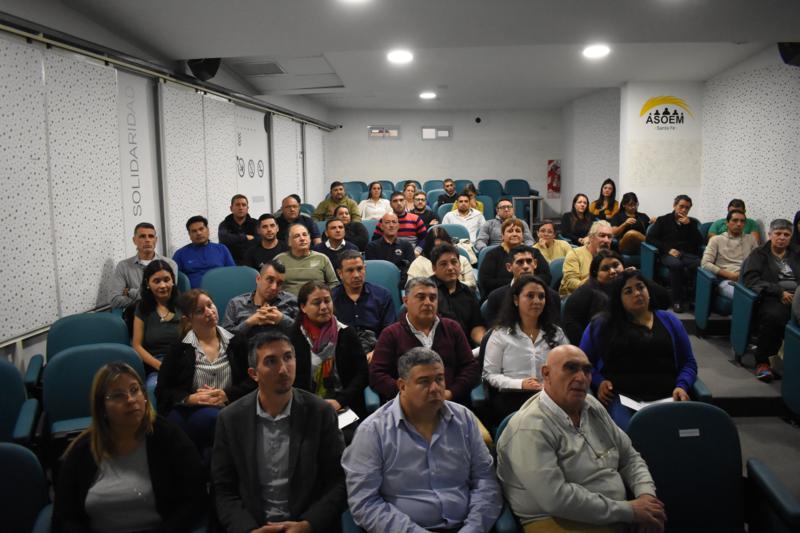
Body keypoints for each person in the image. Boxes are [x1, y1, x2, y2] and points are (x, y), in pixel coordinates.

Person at [497, 345, 665, 532]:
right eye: (571, 368)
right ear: (546, 374)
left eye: (587, 370)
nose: (581, 377)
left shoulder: (591, 405)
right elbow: (556, 500)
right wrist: (630, 511)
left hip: (617, 514)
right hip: (555, 519)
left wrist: (646, 498)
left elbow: (629, 457)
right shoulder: (529, 427)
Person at [342, 348, 503, 533]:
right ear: (402, 386)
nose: (435, 388)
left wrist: (473, 528)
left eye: (439, 379)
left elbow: (485, 481)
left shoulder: (464, 419)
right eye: (424, 382)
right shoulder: (373, 432)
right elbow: (365, 502)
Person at [211, 330, 347, 532]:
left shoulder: (320, 413)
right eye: (271, 361)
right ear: (254, 374)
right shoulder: (231, 419)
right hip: (255, 525)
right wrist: (248, 530)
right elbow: (223, 489)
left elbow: (339, 482)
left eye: (288, 357)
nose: (283, 369)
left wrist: (308, 524)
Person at [52, 362, 206, 533]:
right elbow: (65, 517)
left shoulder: (169, 437)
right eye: (118, 395)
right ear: (102, 407)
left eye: (134, 390)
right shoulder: (82, 451)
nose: (131, 400)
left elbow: (195, 499)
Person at [580, 271, 697, 430]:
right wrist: (599, 381)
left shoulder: (670, 320)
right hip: (622, 398)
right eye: (628, 291)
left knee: (682, 435)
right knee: (631, 435)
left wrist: (682, 386)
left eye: (640, 287)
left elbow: (688, 362)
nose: (637, 293)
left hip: (668, 396)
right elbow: (583, 363)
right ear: (619, 299)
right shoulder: (602, 325)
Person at [156, 289, 255, 454]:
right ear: (188, 320)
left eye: (210, 305)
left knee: (216, 422)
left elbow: (253, 381)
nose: (209, 312)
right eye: (200, 311)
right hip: (191, 410)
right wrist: (188, 398)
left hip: (231, 407)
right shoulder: (179, 348)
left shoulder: (237, 341)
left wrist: (226, 394)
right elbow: (162, 390)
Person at [370, 277, 480, 404]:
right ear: (406, 301)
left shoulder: (452, 328)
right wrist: (409, 394)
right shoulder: (391, 334)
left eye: (433, 298)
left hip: (450, 402)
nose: (428, 302)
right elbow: (376, 375)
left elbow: (470, 368)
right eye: (421, 297)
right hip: (407, 405)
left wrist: (451, 392)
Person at [483, 274, 568, 423]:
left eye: (541, 296)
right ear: (516, 300)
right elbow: (490, 374)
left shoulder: (556, 333)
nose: (537, 301)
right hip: (513, 397)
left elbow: (567, 367)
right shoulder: (501, 334)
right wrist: (520, 384)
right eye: (530, 296)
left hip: (549, 395)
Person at [289, 281, 368, 422]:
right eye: (316, 303)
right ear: (303, 307)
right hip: (305, 409)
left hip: (343, 406)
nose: (324, 307)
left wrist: (340, 401)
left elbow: (363, 374)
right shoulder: (293, 337)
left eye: (327, 301)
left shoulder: (346, 333)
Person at [562, 250, 671, 344]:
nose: (613, 271)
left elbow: (665, 301)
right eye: (605, 268)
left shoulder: (631, 287)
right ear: (595, 274)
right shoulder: (585, 293)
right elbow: (572, 326)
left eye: (616, 265)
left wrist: (639, 278)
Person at [741, 219, 800, 381]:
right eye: (778, 233)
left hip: (798, 297)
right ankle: (763, 362)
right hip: (771, 297)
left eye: (786, 235)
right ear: (770, 235)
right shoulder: (759, 254)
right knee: (774, 317)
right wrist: (779, 292)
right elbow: (751, 280)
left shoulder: (796, 253)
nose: (782, 238)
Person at [332, 250, 397, 362]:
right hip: (342, 354)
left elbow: (390, 331)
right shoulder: (331, 299)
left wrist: (377, 352)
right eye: (350, 270)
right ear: (340, 273)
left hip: (377, 351)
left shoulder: (383, 295)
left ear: (364, 269)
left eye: (360, 269)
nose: (356, 275)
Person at [646, 194, 703, 313]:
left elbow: (700, 241)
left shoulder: (692, 223)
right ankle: (677, 301)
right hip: (667, 253)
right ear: (674, 205)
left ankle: (694, 300)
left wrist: (689, 226)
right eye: (681, 206)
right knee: (677, 265)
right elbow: (650, 238)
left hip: (686, 254)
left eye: (687, 208)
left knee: (700, 264)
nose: (684, 210)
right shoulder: (663, 220)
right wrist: (668, 249)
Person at [132, 260, 182, 389]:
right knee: (154, 389)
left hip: (184, 360)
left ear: (173, 281)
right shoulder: (142, 308)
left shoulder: (183, 304)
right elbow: (137, 346)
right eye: (156, 281)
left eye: (167, 280)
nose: (163, 285)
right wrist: (161, 366)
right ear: (148, 284)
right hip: (156, 365)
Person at [110, 222, 178, 310]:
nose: (147, 240)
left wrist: (130, 292)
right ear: (134, 240)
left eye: (151, 236)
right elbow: (115, 300)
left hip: (162, 313)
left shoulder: (170, 264)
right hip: (134, 314)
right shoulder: (123, 266)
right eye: (142, 236)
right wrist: (146, 302)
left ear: (156, 240)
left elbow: (169, 295)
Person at [222, 260, 298, 337]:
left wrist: (282, 319)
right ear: (258, 279)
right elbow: (225, 338)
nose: (274, 287)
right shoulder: (236, 304)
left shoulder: (291, 301)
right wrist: (249, 323)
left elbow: (303, 334)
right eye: (270, 280)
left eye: (279, 283)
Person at [483, 245, 559, 323]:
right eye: (520, 262)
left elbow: (554, 327)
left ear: (535, 264)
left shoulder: (552, 296)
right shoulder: (495, 298)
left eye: (529, 261)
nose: (525, 266)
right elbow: (493, 328)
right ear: (509, 267)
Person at [430, 243, 486, 346]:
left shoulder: (468, 292)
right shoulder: (427, 293)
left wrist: (484, 343)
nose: (450, 268)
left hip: (466, 348)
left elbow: (476, 326)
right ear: (434, 268)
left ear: (460, 265)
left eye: (454, 262)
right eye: (443, 264)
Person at [479, 218, 550, 297]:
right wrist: (518, 283)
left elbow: (546, 277)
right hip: (501, 296)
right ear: (502, 236)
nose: (514, 234)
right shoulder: (492, 255)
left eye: (518, 231)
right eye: (510, 231)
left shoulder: (534, 252)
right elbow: (486, 282)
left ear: (523, 235)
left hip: (533, 294)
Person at [701, 209, 758, 299]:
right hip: (726, 279)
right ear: (727, 223)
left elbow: (757, 261)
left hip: (748, 278)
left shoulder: (751, 239)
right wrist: (730, 275)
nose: (739, 224)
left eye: (742, 221)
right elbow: (705, 264)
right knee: (744, 297)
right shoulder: (716, 240)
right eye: (735, 220)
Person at [275, 223, 339, 296]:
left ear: (310, 239)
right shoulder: (279, 260)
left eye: (305, 235)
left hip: (318, 301)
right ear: (289, 242)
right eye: (297, 236)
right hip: (288, 302)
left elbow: (334, 284)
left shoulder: (322, 258)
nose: (302, 239)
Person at [172, 215, 235, 288]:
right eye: (194, 231)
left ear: (208, 230)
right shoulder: (180, 254)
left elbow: (232, 273)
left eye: (201, 229)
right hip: (194, 293)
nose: (198, 233)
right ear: (189, 234)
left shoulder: (222, 249)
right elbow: (174, 280)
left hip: (221, 289)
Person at [407, 226, 477, 291]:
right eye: (436, 248)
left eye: (443, 246)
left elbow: (472, 284)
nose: (440, 251)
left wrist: (451, 284)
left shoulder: (462, 260)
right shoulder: (418, 264)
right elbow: (411, 289)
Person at [559, 220, 613, 297]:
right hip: (575, 297)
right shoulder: (575, 254)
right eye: (602, 235)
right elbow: (571, 284)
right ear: (591, 238)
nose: (606, 240)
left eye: (609, 237)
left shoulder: (610, 257)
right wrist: (596, 277)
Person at [365, 212, 415, 287]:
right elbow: (374, 272)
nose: (391, 225)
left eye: (394, 222)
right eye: (387, 222)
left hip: (402, 285)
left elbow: (411, 270)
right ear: (381, 226)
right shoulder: (372, 247)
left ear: (398, 226)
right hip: (380, 284)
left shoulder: (407, 245)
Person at [218, 194, 258, 264]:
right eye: (237, 205)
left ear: (247, 208)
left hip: (252, 262)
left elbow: (259, 240)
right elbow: (224, 239)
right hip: (230, 263)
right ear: (231, 208)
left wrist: (234, 239)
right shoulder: (224, 224)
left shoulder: (255, 223)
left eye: (244, 205)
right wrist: (245, 237)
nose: (241, 208)